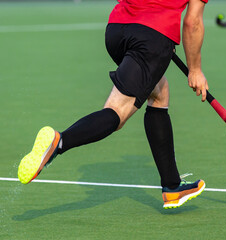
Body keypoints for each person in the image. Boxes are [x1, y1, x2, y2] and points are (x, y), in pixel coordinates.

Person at [17, 0, 209, 209]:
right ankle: (60, 142)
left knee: (159, 93)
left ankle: (172, 187)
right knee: (117, 111)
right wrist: (195, 69)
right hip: (152, 35)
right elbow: (192, 23)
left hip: (117, 30)